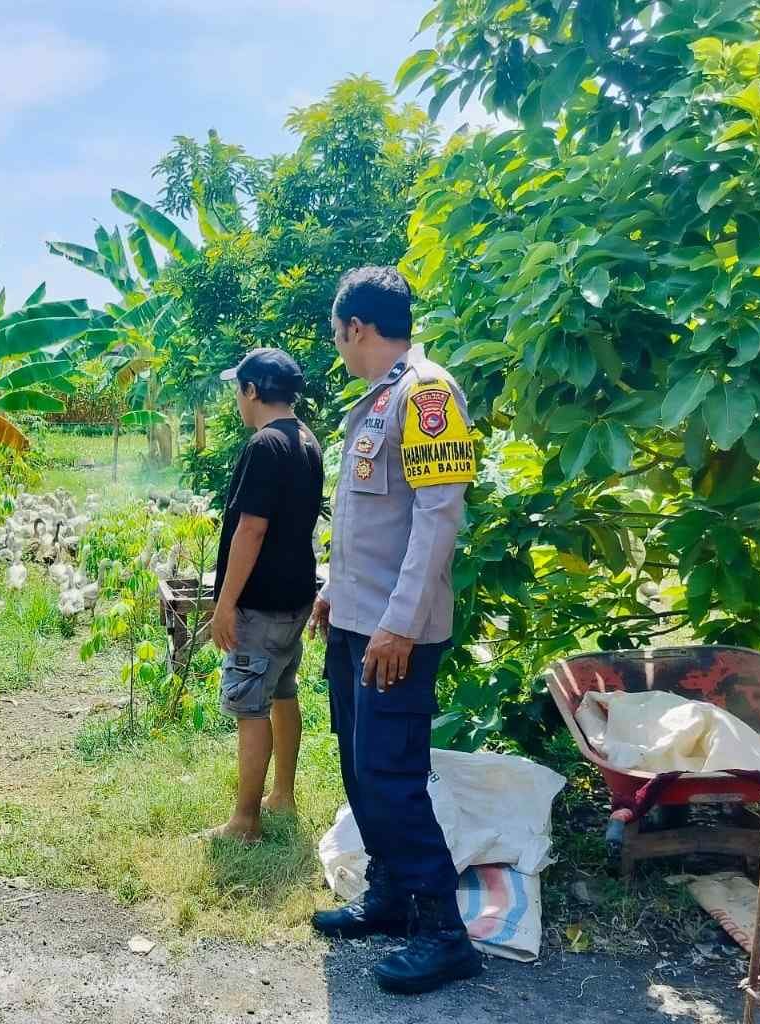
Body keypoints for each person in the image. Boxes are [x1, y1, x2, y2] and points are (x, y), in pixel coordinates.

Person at [308, 267, 481, 994]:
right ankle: (388, 898)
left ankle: (445, 933)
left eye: (337, 334)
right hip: (357, 624)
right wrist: (332, 594)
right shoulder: (380, 401)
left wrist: (399, 627)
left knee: (391, 777)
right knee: (359, 770)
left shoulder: (428, 393)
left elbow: (438, 520)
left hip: (393, 636)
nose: (338, 346)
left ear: (356, 327)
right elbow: (373, 524)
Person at [205, 347, 324, 844]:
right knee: (282, 692)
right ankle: (283, 794)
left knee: (249, 707)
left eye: (239, 389)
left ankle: (245, 821)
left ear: (252, 391)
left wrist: (225, 604)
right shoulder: (307, 441)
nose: (237, 398)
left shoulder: (264, 446)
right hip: (294, 595)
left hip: (260, 603)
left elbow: (250, 530)